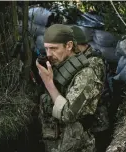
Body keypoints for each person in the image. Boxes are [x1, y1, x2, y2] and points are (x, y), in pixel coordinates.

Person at [36, 24, 105, 152]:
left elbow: (68, 114)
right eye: (46, 49)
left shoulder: (86, 73)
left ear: (69, 46)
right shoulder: (58, 67)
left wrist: (49, 83)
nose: (49, 54)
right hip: (54, 142)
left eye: (54, 48)